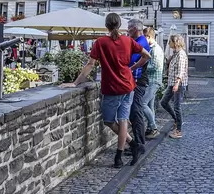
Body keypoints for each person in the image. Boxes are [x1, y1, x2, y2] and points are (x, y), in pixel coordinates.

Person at [60, 13, 150, 168]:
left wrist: (75, 83)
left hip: (112, 87)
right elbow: (147, 55)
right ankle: (120, 156)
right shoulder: (128, 41)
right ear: (120, 25)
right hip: (128, 86)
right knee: (123, 121)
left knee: (109, 121)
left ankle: (133, 145)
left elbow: (90, 65)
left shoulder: (101, 42)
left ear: (107, 26)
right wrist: (133, 67)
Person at [127, 19, 151, 156]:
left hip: (138, 81)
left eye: (129, 28)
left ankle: (140, 145)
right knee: (134, 112)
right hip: (137, 81)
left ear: (135, 29)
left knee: (136, 112)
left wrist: (131, 68)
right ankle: (138, 143)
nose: (127, 30)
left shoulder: (140, 42)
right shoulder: (139, 41)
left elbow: (130, 60)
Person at [161, 34, 188, 139]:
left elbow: (181, 71)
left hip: (178, 84)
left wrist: (177, 84)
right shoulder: (175, 54)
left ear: (175, 42)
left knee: (177, 107)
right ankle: (176, 120)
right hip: (171, 83)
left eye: (170, 42)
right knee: (163, 102)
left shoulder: (181, 54)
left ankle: (179, 130)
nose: (168, 43)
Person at [141, 27, 164, 139]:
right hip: (150, 81)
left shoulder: (155, 49)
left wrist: (141, 65)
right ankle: (150, 129)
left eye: (144, 37)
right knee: (150, 105)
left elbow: (154, 66)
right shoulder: (151, 48)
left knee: (142, 104)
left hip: (153, 81)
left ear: (148, 37)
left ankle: (154, 128)